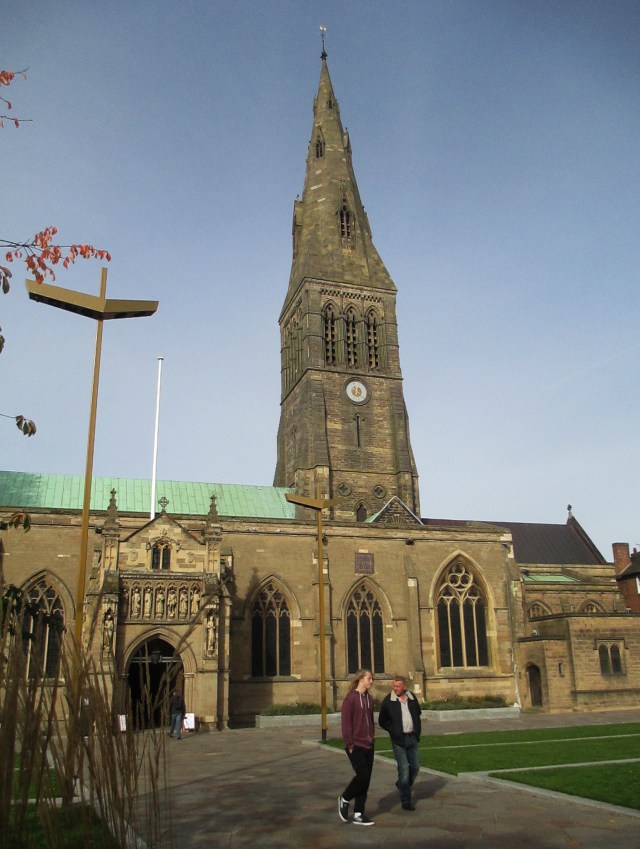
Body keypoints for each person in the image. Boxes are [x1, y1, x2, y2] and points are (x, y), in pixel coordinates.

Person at [378, 674, 422, 810]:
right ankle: (406, 801)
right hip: (399, 740)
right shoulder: (388, 701)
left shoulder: (412, 697)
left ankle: (403, 785)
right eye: (394, 686)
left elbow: (418, 713)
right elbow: (382, 721)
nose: (395, 688)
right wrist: (393, 730)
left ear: (404, 687)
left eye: (397, 686)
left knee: (415, 767)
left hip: (412, 737)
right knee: (404, 769)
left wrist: (416, 729)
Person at [338, 669, 375, 826]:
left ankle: (359, 813)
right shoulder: (350, 699)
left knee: (365, 781)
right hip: (356, 745)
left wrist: (372, 737)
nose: (371, 681)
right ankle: (345, 798)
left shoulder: (369, 698)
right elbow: (346, 723)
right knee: (363, 775)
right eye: (369, 678)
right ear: (361, 680)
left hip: (369, 743)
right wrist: (349, 744)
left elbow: (370, 721)